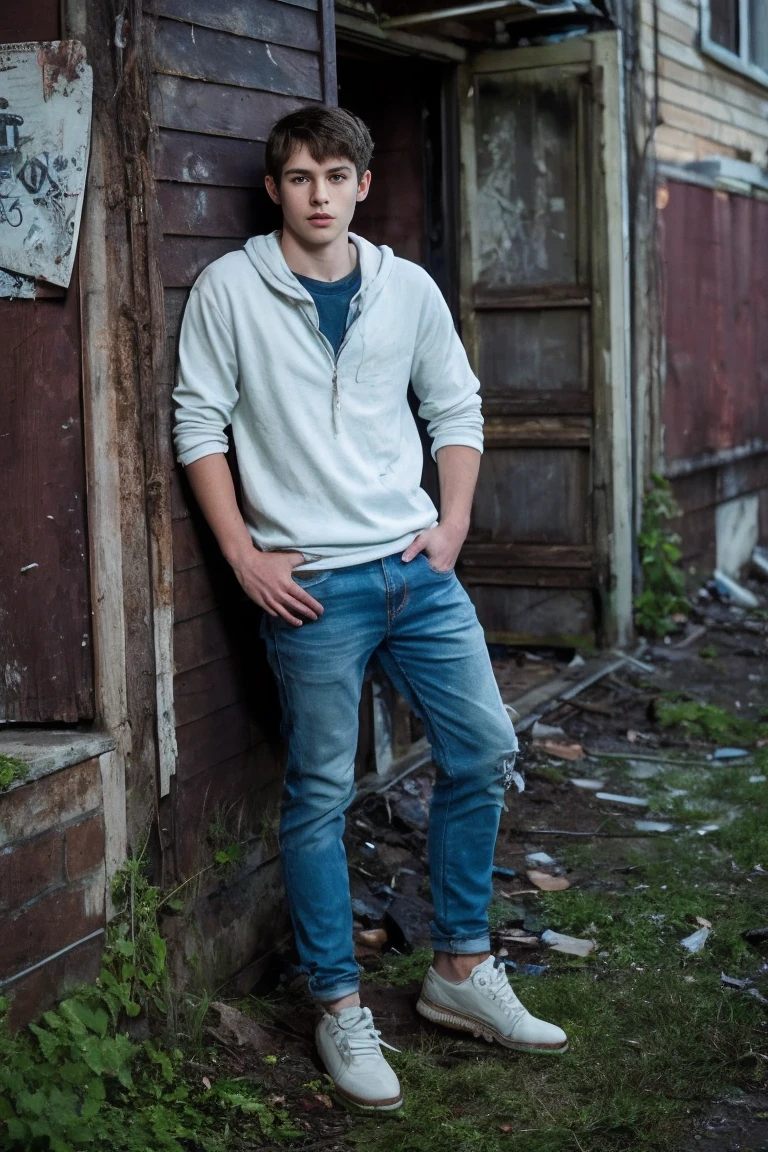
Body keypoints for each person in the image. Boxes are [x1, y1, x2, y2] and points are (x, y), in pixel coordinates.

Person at [172, 106, 568, 1112]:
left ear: (361, 184)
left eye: (335, 174)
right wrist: (239, 553)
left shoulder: (407, 291)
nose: (317, 192)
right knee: (317, 794)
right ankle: (339, 1006)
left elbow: (457, 406)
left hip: (416, 570)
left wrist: (453, 526)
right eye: (299, 175)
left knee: (482, 749)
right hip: (311, 585)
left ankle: (462, 973)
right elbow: (199, 422)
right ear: (276, 189)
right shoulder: (230, 288)